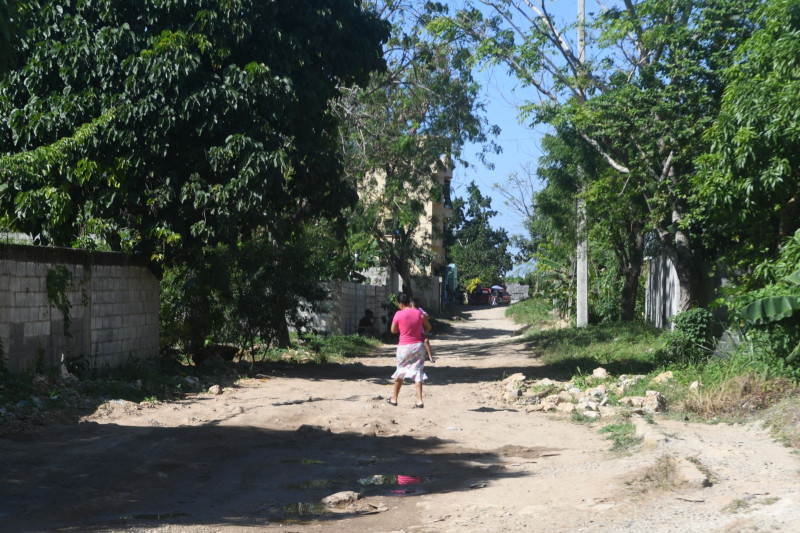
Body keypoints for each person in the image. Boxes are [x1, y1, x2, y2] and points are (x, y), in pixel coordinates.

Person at [387, 293, 432, 408]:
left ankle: (394, 398)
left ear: (401, 304)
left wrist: (402, 329)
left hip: (404, 347)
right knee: (418, 372)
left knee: (400, 371)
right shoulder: (418, 313)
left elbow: (393, 330)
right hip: (418, 346)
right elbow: (428, 327)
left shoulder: (398, 314)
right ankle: (419, 400)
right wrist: (420, 333)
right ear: (409, 302)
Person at [410, 298, 434, 363]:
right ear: (411, 304)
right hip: (411, 333)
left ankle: (430, 356)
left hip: (420, 332)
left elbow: (427, 316)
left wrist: (423, 316)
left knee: (426, 340)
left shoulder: (419, 310)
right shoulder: (408, 311)